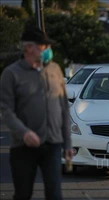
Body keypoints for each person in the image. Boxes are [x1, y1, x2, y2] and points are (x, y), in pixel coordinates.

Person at [0, 27, 73, 200]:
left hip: (53, 144)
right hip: (24, 147)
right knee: (23, 194)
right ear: (29, 48)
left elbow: (63, 107)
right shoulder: (11, 74)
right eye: (44, 46)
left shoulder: (55, 70)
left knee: (55, 194)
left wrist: (68, 143)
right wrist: (24, 133)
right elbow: (6, 110)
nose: (48, 50)